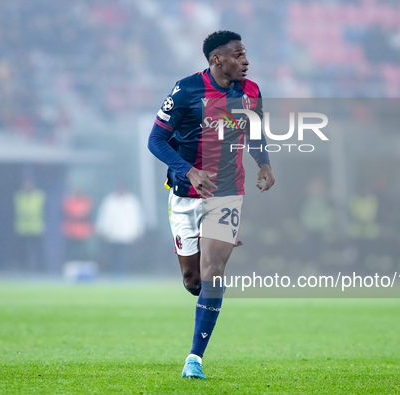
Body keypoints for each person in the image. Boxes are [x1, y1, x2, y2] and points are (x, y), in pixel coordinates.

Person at [148, 30, 275, 379]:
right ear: (217, 59)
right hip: (185, 194)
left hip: (226, 192)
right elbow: (155, 140)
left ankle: (194, 358)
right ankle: (211, 248)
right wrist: (188, 171)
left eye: (246, 54)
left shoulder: (251, 92)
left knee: (213, 271)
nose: (246, 61)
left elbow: (255, 133)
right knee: (193, 281)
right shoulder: (187, 90)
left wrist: (263, 162)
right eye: (238, 55)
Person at [95, 184, 144, 275]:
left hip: (126, 234)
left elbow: (137, 217)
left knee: (124, 255)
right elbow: (104, 216)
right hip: (112, 234)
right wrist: (101, 229)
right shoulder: (109, 200)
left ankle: (121, 272)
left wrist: (138, 231)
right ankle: (114, 272)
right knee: (113, 255)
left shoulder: (132, 201)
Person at [14, 180, 46, 272]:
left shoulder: (39, 196)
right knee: (22, 251)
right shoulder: (19, 197)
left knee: (37, 251)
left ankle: (39, 269)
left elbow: (45, 211)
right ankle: (22, 268)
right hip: (22, 228)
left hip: (35, 228)